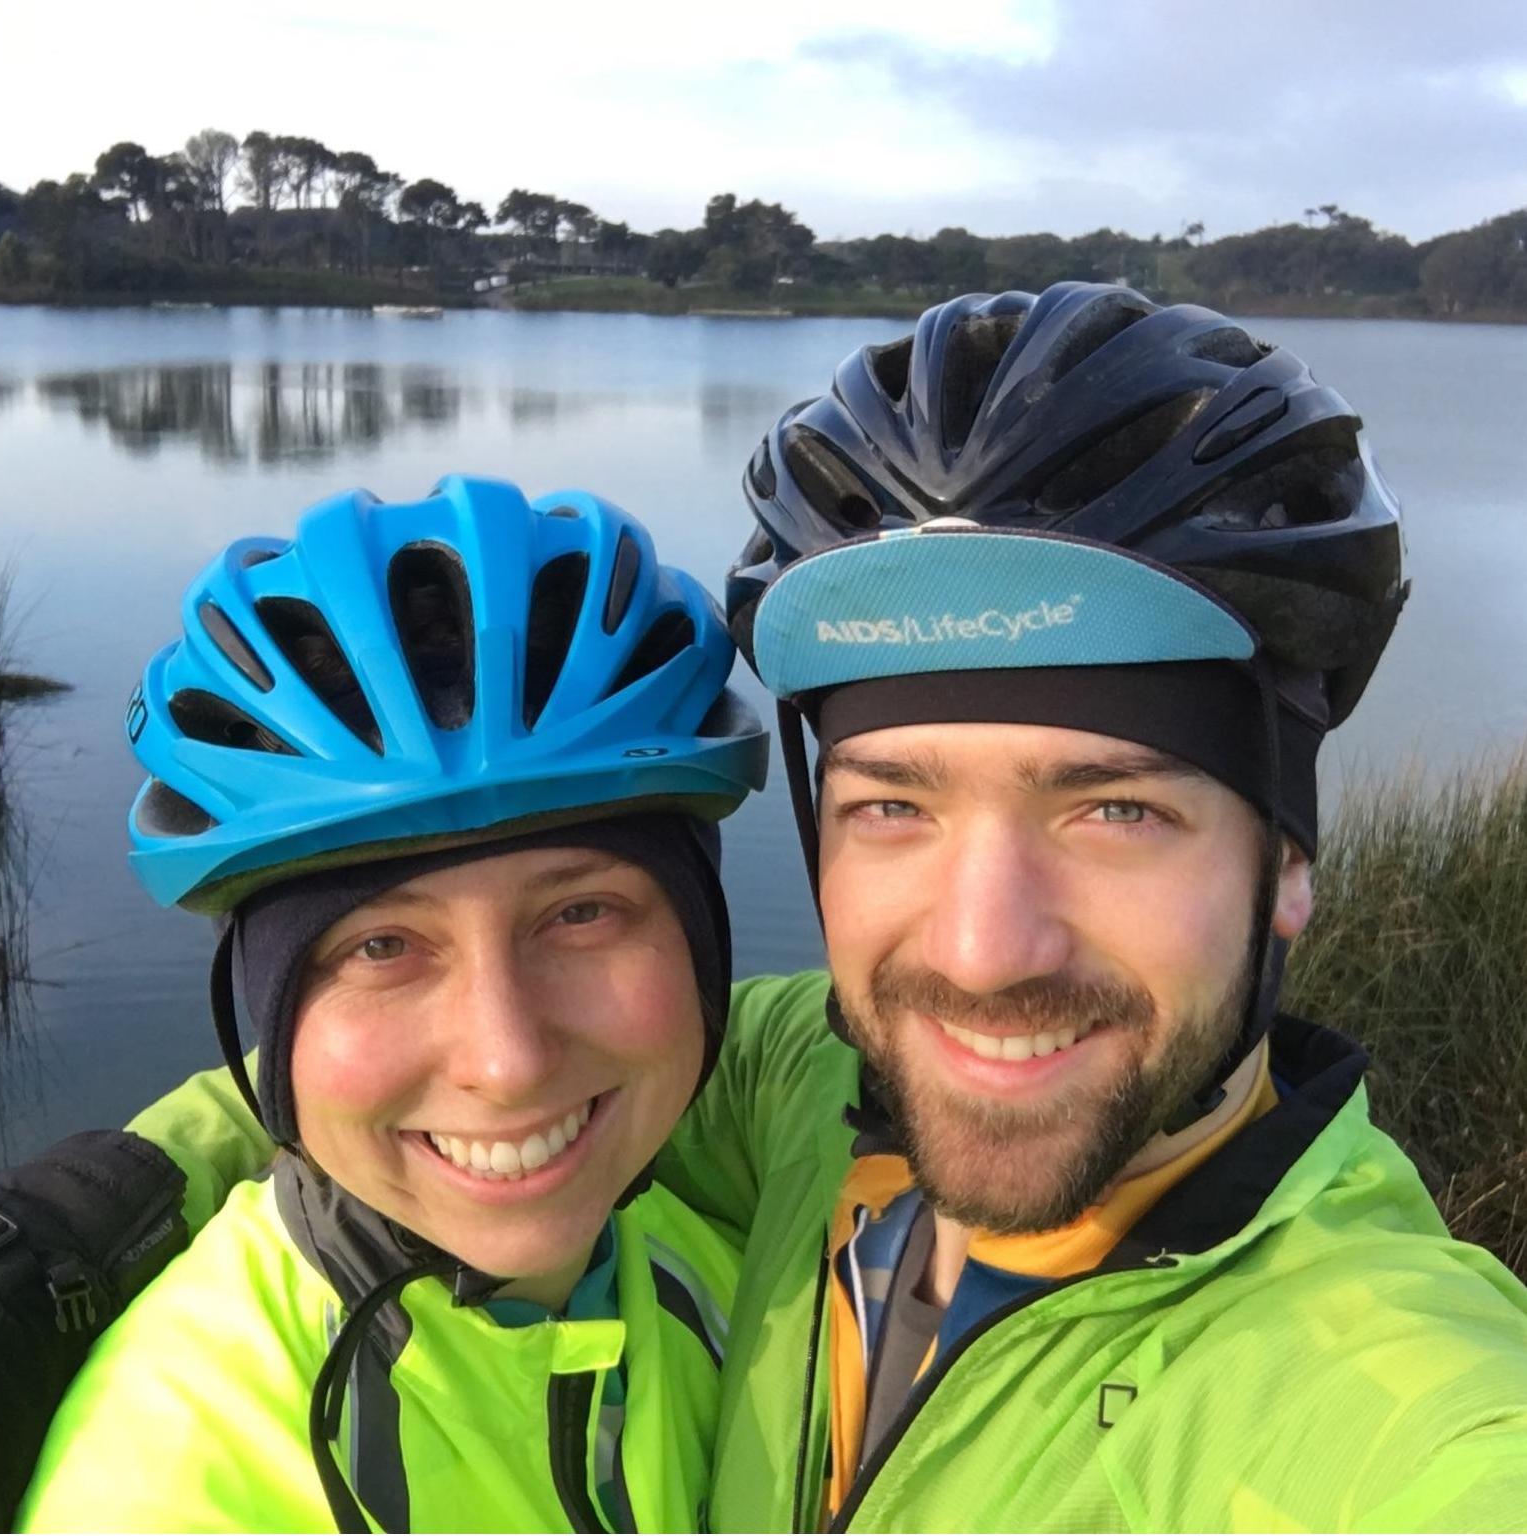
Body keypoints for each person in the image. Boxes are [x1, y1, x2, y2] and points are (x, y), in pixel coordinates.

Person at [651, 282, 1527, 1529]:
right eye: (891, 806)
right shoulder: (801, 1083)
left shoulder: (1394, 1404)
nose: (982, 952)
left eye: (1115, 810)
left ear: (1285, 862)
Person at [14, 474, 767, 1532]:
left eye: (582, 913)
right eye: (381, 946)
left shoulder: (733, 1279)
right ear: (271, 1016)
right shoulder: (178, 1479)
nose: (507, 1061)